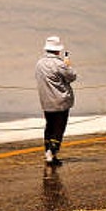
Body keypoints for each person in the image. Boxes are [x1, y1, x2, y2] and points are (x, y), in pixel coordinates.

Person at [35, 35, 77, 167]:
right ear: (58, 50)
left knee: (49, 126)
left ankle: (48, 152)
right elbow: (72, 76)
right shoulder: (59, 64)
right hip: (60, 101)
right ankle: (52, 152)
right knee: (59, 128)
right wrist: (67, 65)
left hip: (46, 100)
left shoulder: (39, 63)